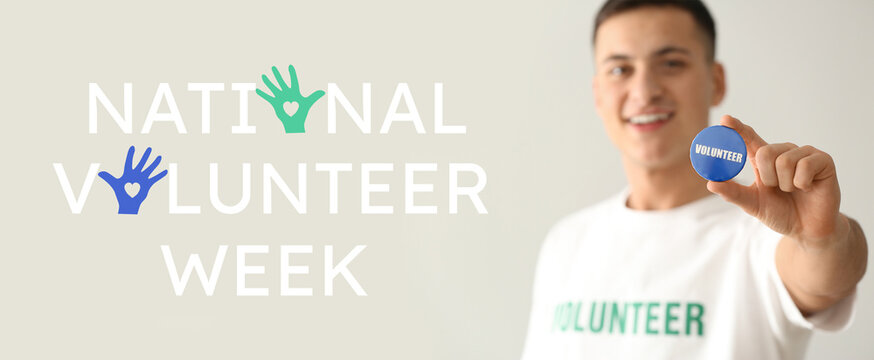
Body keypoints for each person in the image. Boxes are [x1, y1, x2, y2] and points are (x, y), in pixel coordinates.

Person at [520, 0, 868, 359]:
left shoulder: (766, 235)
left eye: (671, 63)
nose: (644, 91)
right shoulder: (566, 242)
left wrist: (822, 241)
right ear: (597, 94)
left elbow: (825, 277)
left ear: (715, 82)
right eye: (620, 69)